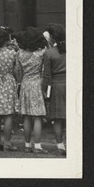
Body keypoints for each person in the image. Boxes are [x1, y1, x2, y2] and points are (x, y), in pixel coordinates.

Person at [16, 27, 49, 153]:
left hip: (25, 83)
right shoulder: (42, 53)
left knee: (27, 117)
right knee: (38, 117)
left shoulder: (20, 53)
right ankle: (38, 146)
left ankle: (27, 145)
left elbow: (18, 72)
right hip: (37, 84)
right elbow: (45, 70)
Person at [42, 24, 67, 155]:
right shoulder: (75, 49)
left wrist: (45, 91)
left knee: (57, 118)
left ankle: (60, 145)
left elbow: (47, 75)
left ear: (52, 37)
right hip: (72, 83)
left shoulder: (49, 53)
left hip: (56, 86)